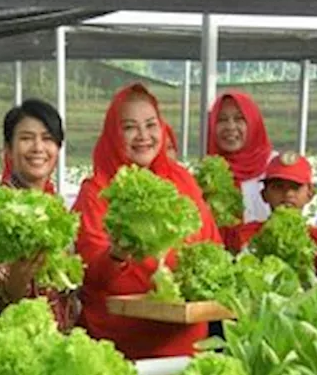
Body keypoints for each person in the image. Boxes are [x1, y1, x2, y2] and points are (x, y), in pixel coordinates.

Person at [73, 84, 221, 360]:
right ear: (113, 135)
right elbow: (88, 273)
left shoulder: (182, 180)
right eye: (129, 127)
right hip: (121, 348)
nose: (143, 136)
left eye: (151, 125)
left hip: (186, 344)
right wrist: (115, 255)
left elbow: (212, 247)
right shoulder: (96, 191)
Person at [0, 99, 76, 340]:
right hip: (5, 344)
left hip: (54, 345)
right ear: (8, 150)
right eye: (26, 138)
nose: (38, 148)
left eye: (47, 139)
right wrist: (16, 281)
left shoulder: (57, 208)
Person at [221, 152, 317, 255]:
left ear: (310, 194)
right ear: (263, 194)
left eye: (295, 187)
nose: (288, 194)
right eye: (278, 187)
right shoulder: (242, 236)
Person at [207, 91, 276, 223]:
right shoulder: (207, 173)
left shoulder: (274, 167)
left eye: (239, 119)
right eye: (221, 120)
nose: (230, 127)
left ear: (253, 123)